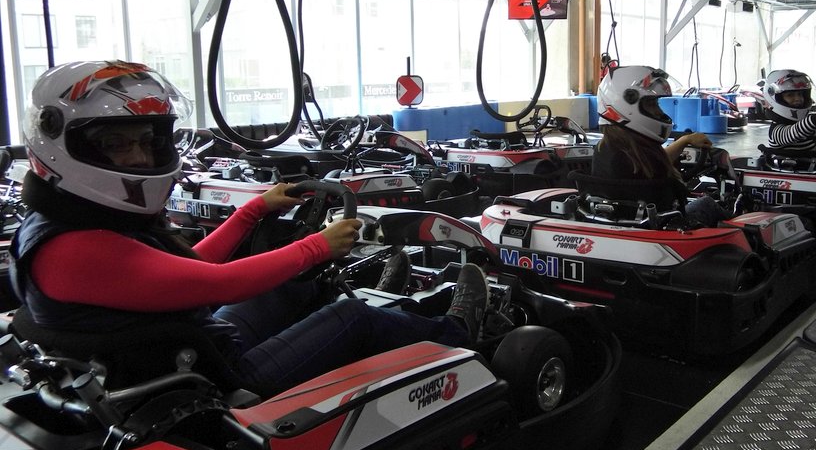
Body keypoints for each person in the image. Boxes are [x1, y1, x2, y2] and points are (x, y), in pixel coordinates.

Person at [10, 60, 487, 397]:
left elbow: (189, 268)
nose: (137, 157)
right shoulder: (74, 250)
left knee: (293, 287)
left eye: (145, 142)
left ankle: (394, 308)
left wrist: (253, 211)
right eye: (116, 144)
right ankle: (459, 331)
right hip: (215, 381)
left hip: (197, 346)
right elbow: (217, 283)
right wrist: (317, 246)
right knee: (353, 318)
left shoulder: (74, 222)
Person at [589, 64, 724, 227]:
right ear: (629, 105)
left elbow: (654, 162)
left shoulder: (607, 149)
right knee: (707, 203)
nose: (659, 111)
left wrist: (684, 141)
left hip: (625, 222)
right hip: (665, 225)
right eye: (652, 104)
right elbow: (676, 186)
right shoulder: (641, 156)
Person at [761, 69, 816, 157]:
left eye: (800, 94)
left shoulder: (806, 124)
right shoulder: (776, 132)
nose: (798, 99)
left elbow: (812, 139)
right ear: (776, 99)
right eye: (790, 95)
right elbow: (796, 131)